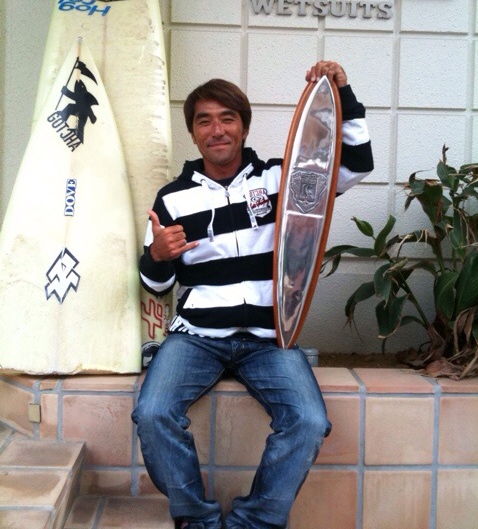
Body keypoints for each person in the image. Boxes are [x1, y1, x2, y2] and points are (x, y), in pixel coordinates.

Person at [131, 61, 373, 529]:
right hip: (196, 337)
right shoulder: (172, 199)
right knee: (153, 413)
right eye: (204, 120)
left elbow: (353, 167)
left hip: (269, 337)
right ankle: (197, 520)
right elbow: (155, 286)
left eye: (227, 118)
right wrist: (158, 255)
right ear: (193, 133)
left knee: (307, 420)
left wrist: (343, 94)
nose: (217, 130)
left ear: (243, 126)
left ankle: (254, 522)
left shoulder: (281, 180)